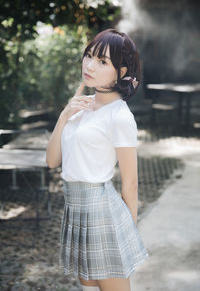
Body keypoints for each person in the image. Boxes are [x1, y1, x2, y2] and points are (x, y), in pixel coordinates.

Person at [46, 28, 149, 291]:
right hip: (75, 208)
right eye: (89, 55)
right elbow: (52, 161)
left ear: (122, 72)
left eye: (103, 61)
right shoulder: (81, 106)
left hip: (101, 212)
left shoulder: (120, 115)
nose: (90, 65)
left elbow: (131, 182)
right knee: (88, 286)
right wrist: (63, 115)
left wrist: (129, 233)